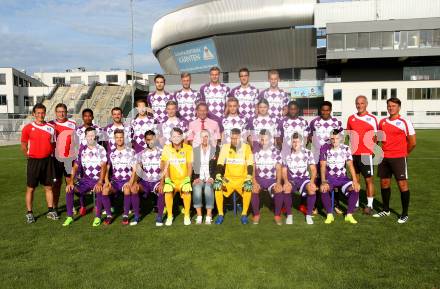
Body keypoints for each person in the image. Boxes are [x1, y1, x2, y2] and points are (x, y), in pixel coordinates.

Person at [374, 97, 416, 223]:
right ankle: (385, 209)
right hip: (384, 157)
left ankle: (404, 213)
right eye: (389, 106)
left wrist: (403, 153)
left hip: (398, 158)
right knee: (384, 183)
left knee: (402, 185)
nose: (391, 108)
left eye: (393, 106)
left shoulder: (405, 122)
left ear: (399, 107)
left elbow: (413, 142)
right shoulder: (382, 122)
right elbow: (378, 139)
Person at [21, 103, 59, 223]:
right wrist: (29, 155)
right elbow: (23, 144)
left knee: (48, 187)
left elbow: (53, 144)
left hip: (47, 161)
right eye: (38, 113)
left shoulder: (51, 128)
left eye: (42, 113)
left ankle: (50, 210)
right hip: (33, 161)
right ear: (33, 114)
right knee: (31, 188)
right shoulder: (28, 127)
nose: (40, 115)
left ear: (45, 113)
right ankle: (29, 213)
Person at [63, 127, 107, 226]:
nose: (91, 138)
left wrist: (100, 181)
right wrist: (70, 182)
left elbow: (104, 166)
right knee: (69, 189)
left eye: (93, 135)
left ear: (95, 136)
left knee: (99, 189)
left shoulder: (101, 149)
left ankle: (98, 217)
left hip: (97, 180)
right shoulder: (82, 150)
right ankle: (69, 217)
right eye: (89, 136)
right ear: (85, 137)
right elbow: (75, 166)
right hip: (86, 180)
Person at [319, 129, 361, 224]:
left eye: (337, 138)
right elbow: (322, 166)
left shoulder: (346, 148)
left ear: (341, 139)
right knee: (323, 189)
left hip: (343, 178)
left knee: (355, 188)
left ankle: (349, 215)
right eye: (333, 138)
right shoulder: (324, 148)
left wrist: (354, 180)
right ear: (330, 138)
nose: (334, 140)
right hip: (330, 179)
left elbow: (350, 165)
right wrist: (323, 181)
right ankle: (329, 215)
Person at [346, 95, 378, 215]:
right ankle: (356, 204)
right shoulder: (351, 118)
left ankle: (369, 205)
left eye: (362, 103)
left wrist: (370, 149)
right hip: (353, 154)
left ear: (366, 104)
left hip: (365, 154)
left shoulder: (372, 119)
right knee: (355, 179)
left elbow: (375, 137)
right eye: (358, 103)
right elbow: (349, 135)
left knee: (368, 180)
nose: (360, 105)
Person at [213, 128, 253, 225]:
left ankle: (244, 214)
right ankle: (221, 214)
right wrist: (218, 175)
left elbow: (250, 164)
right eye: (232, 138)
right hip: (228, 179)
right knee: (217, 186)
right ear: (230, 138)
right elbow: (220, 163)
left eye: (236, 138)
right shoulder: (225, 147)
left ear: (240, 138)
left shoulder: (246, 147)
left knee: (248, 188)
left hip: (242, 179)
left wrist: (249, 177)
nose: (234, 140)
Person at [309, 101, 344, 214]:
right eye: (323, 110)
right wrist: (316, 145)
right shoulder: (314, 122)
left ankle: (336, 204)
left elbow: (340, 137)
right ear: (320, 110)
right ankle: (315, 205)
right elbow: (310, 136)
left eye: (327, 110)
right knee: (317, 179)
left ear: (330, 110)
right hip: (317, 155)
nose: (325, 112)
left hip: (332, 156)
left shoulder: (336, 122)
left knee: (335, 179)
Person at [102, 129, 137, 225]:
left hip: (126, 180)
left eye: (121, 137)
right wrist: (106, 180)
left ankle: (125, 215)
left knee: (126, 189)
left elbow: (134, 169)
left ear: (124, 138)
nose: (119, 139)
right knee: (105, 190)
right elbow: (107, 168)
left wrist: (130, 182)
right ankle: (109, 215)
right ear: (114, 139)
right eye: (117, 137)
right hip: (115, 181)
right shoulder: (111, 153)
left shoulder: (131, 151)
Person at [282, 133, 317, 225]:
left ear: (302, 142)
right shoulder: (286, 153)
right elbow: (284, 170)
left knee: (312, 189)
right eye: (293, 142)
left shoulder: (308, 152)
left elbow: (313, 169)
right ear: (291, 142)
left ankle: (309, 215)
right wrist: (285, 182)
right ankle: (289, 215)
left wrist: (312, 182)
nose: (295, 144)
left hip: (304, 179)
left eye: (297, 142)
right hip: (291, 179)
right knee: (286, 188)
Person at [160, 127, 193, 226]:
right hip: (172, 180)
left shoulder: (188, 148)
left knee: (187, 191)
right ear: (170, 138)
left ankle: (187, 215)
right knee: (168, 190)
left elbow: (189, 165)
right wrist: (167, 180)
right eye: (174, 136)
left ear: (182, 137)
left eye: (178, 136)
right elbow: (165, 165)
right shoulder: (167, 148)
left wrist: (188, 179)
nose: (176, 138)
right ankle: (170, 216)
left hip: (184, 179)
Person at [131, 130, 165, 226]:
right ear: (145, 140)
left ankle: (159, 217)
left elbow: (164, 170)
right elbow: (138, 169)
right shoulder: (141, 154)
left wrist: (162, 183)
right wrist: (134, 182)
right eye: (148, 140)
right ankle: (136, 216)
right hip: (145, 182)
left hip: (156, 181)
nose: (151, 142)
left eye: (152, 139)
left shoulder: (161, 152)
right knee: (134, 189)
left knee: (162, 190)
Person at [251, 130, 283, 225]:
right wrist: (254, 181)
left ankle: (277, 215)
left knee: (279, 189)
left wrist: (278, 183)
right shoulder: (255, 151)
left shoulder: (276, 152)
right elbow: (252, 167)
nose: (263, 141)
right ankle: (256, 215)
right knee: (254, 189)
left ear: (270, 140)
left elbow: (278, 168)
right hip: (259, 179)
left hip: (272, 180)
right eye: (262, 139)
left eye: (266, 139)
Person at [49, 103, 77, 213]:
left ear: (66, 112)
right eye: (59, 111)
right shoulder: (51, 124)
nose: (61, 113)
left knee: (70, 182)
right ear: (56, 113)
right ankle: (55, 207)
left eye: (63, 111)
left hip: (69, 158)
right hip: (56, 159)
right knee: (56, 184)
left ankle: (71, 205)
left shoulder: (73, 123)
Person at [192, 130, 218, 225]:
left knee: (208, 187)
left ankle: (208, 215)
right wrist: (195, 177)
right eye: (202, 136)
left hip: (210, 177)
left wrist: (212, 178)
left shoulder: (215, 150)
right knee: (197, 187)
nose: (204, 138)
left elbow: (218, 166)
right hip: (200, 177)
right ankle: (199, 215)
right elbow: (193, 166)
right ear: (200, 138)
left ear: (209, 137)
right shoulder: (195, 150)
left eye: (206, 136)